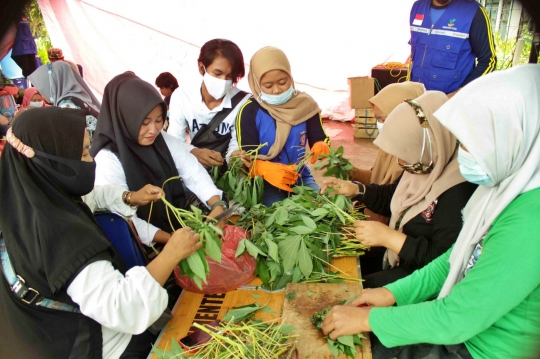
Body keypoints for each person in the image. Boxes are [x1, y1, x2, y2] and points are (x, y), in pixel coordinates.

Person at [321, 64, 540, 359]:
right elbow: (455, 258)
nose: (461, 152)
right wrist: (392, 294)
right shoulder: (501, 192)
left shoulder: (530, 221)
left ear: (516, 136)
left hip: (480, 349)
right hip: (459, 330)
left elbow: (459, 318)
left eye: (471, 143)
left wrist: (367, 319)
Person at [0, 107, 202, 359]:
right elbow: (122, 307)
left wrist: (130, 196)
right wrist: (171, 254)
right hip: (102, 348)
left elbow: (91, 196)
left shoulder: (28, 202)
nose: (91, 159)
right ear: (54, 162)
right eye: (84, 152)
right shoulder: (63, 234)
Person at [321, 91, 477, 286]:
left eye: (405, 153)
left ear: (430, 142)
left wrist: (389, 238)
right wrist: (356, 190)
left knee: (352, 289)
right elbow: (393, 196)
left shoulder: (458, 190)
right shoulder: (425, 163)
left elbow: (442, 263)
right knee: (336, 265)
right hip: (401, 258)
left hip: (423, 278)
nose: (400, 161)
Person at [91, 72, 225, 247]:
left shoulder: (162, 140)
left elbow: (192, 172)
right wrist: (171, 241)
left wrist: (217, 205)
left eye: (159, 120)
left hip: (173, 221)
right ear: (125, 118)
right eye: (145, 123)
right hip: (146, 240)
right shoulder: (108, 158)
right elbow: (126, 219)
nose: (153, 130)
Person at [236, 46, 330, 206]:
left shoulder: (305, 105)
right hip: (265, 181)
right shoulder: (249, 111)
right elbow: (245, 158)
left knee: (321, 210)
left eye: (282, 82)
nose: (277, 90)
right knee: (280, 219)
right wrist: (262, 169)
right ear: (257, 83)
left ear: (290, 76)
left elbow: (319, 137)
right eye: (268, 85)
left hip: (299, 175)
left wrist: (321, 145)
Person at [168, 38, 251, 167]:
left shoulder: (243, 102)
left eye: (230, 76)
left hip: (226, 174)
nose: (224, 81)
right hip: (193, 169)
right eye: (217, 73)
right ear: (202, 68)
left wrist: (235, 157)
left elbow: (236, 144)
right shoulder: (182, 96)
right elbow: (174, 142)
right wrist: (193, 152)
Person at [407, 0, 496, 97]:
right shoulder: (417, 7)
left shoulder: (474, 12)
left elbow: (489, 60)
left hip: (450, 104)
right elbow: (415, 57)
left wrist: (459, 94)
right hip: (415, 99)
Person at [28, 61, 101, 139]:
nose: (42, 95)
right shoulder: (77, 97)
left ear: (52, 84)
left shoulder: (66, 104)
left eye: (41, 90)